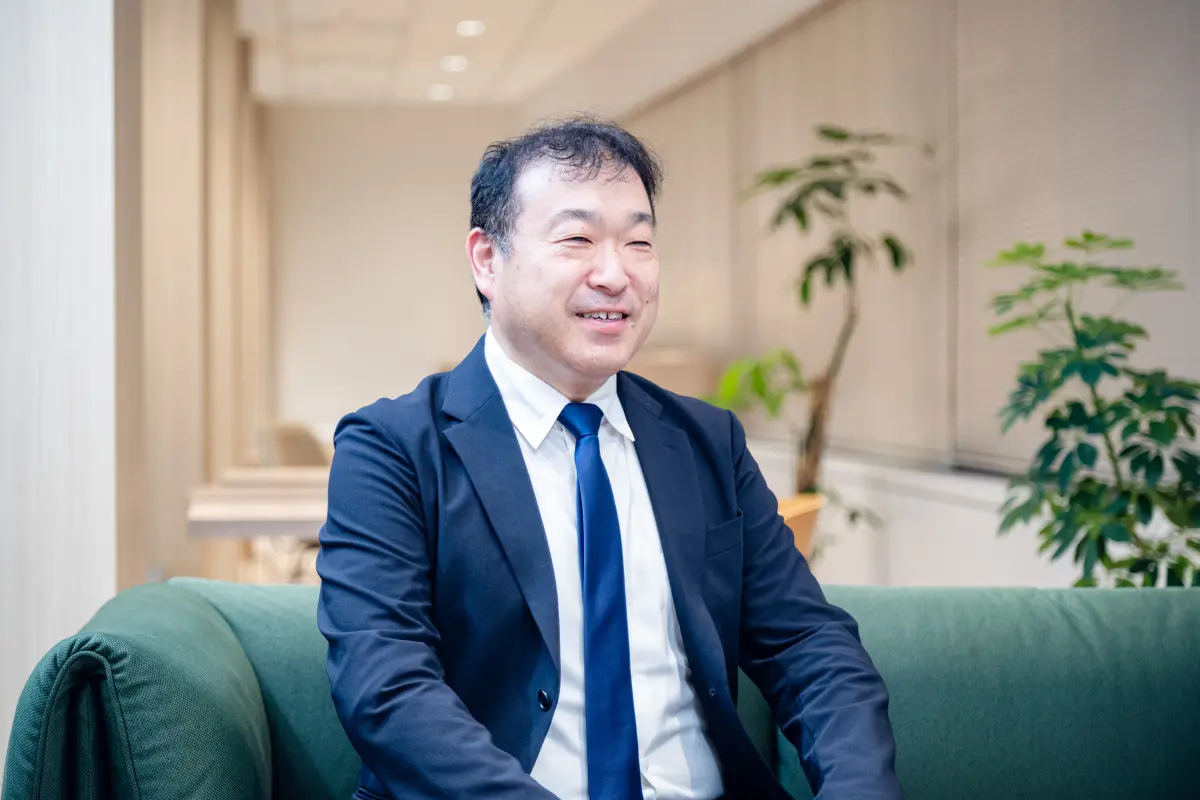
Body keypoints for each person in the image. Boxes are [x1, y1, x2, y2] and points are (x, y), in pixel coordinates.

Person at [316, 117, 901, 800]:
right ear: (487, 260)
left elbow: (808, 645)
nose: (616, 274)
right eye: (577, 239)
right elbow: (386, 686)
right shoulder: (392, 449)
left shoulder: (707, 442)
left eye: (639, 242)